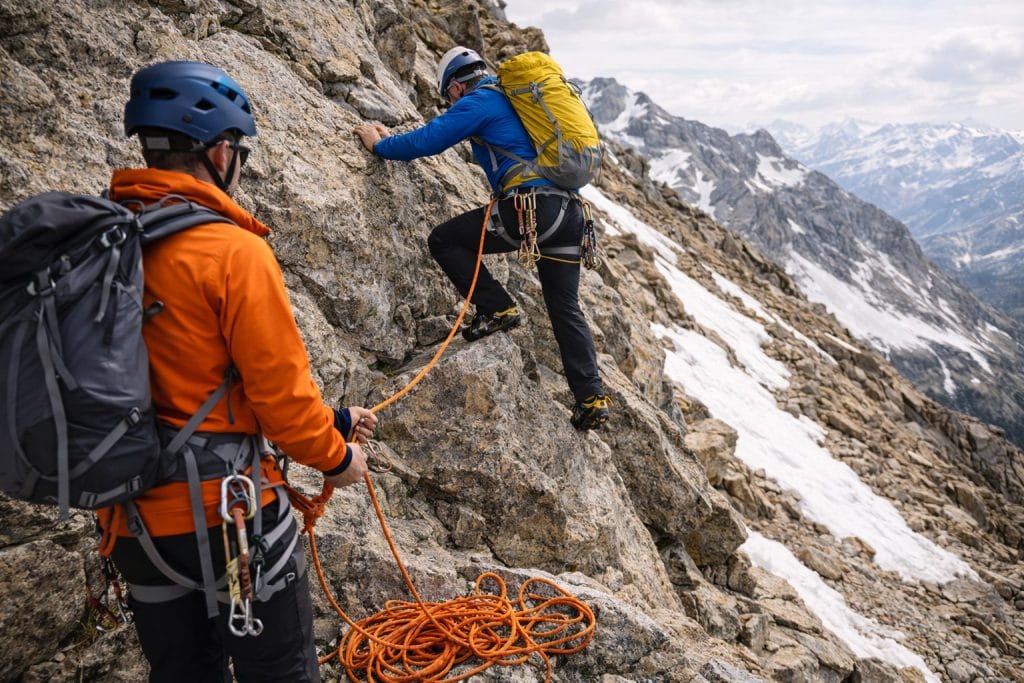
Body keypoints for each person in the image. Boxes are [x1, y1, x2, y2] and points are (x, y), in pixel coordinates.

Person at [96, 61, 376, 681]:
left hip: (132, 522)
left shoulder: (107, 243)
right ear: (220, 151)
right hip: (229, 519)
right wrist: (336, 456)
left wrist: (335, 418)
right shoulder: (232, 251)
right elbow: (278, 398)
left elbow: (171, 378)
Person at [353, 46, 610, 431]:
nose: (451, 101)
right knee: (564, 306)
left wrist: (379, 144)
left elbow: (428, 141)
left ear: (455, 86)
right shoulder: (517, 99)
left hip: (531, 210)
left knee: (445, 240)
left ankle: (496, 308)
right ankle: (591, 399)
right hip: (569, 214)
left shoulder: (480, 101)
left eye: (448, 95)